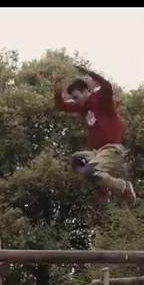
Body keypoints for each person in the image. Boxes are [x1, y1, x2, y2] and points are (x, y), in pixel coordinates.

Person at [55, 65, 136, 205]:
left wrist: (90, 73)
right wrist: (58, 90)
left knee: (88, 172)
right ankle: (102, 186)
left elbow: (107, 86)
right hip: (96, 153)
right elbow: (61, 106)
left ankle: (123, 186)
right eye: (73, 99)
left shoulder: (100, 100)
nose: (75, 101)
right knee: (76, 160)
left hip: (112, 150)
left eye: (76, 97)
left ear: (86, 91)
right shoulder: (82, 108)